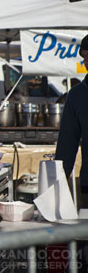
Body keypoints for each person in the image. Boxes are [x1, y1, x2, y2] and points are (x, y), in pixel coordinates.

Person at [55, 34, 88, 209]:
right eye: (84, 57)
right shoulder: (77, 95)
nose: (86, 62)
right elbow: (67, 142)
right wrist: (57, 183)